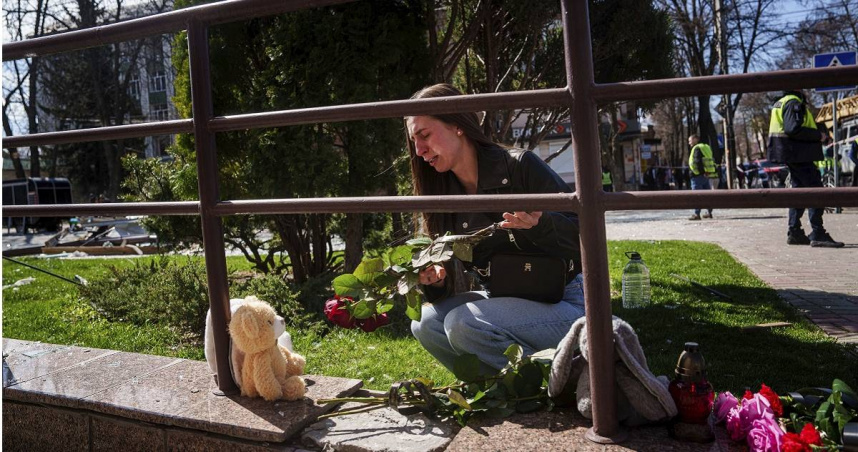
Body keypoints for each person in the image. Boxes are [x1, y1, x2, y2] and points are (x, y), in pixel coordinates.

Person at [405, 83, 585, 375]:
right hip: (503, 299)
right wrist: (435, 280)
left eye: (424, 135)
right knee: (425, 324)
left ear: (457, 125)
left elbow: (584, 234)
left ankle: (559, 379)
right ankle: (501, 389)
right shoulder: (441, 193)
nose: (419, 150)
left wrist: (540, 225)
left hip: (566, 300)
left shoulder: (520, 165)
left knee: (462, 323)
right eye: (414, 140)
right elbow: (446, 287)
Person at [767, 90, 843, 247]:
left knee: (799, 193)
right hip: (799, 154)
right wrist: (818, 135)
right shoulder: (793, 102)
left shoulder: (781, 102)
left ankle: (795, 232)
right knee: (816, 192)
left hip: (792, 154)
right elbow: (792, 128)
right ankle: (818, 232)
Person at [687, 135, 716, 220]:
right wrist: (706, 172)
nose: (689, 143)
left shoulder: (696, 148)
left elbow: (697, 161)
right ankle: (709, 212)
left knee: (696, 195)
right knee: (707, 195)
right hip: (706, 175)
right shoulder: (706, 147)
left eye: (690, 140)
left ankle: (697, 214)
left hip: (697, 175)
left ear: (696, 139)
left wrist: (701, 172)